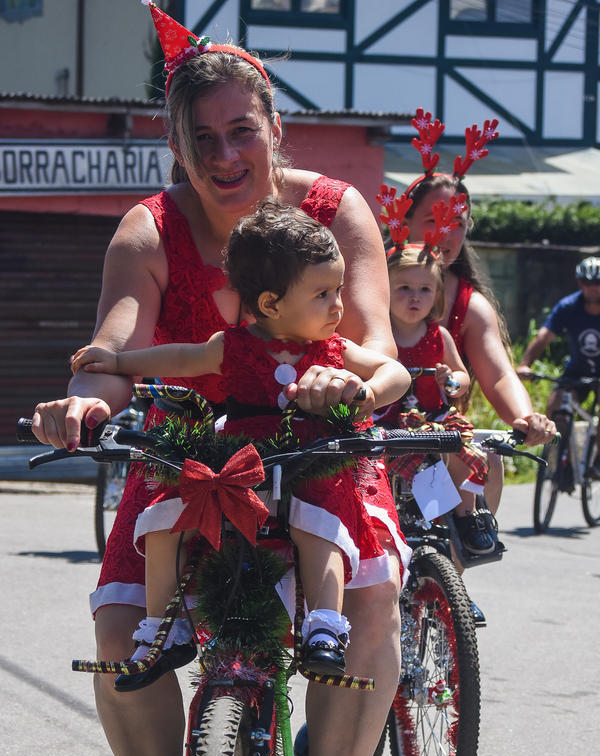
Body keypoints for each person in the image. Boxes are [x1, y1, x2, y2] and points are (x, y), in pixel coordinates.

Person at [31, 5, 406, 756]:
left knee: (373, 595)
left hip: (315, 450)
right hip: (189, 461)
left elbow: (378, 348)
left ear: (277, 127)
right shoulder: (148, 229)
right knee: (121, 627)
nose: (226, 155)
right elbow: (116, 351)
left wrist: (350, 387)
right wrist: (82, 404)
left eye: (243, 130)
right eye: (203, 139)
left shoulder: (333, 212)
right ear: (176, 147)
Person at [71, 199, 411, 686]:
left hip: (307, 461)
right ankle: (165, 630)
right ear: (271, 303)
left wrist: (370, 393)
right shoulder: (230, 346)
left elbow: (393, 371)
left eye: (338, 290)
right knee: (163, 518)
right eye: (323, 294)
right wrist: (115, 360)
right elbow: (179, 357)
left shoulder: (335, 350)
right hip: (239, 462)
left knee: (321, 524)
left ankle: (324, 629)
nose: (339, 305)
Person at [400, 111, 556, 520]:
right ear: (405, 220)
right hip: (373, 428)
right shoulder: (370, 281)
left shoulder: (471, 304)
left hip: (438, 433)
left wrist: (526, 417)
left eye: (458, 223)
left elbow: (500, 374)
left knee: (484, 466)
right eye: (434, 220)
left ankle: (453, 566)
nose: (446, 234)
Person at [376, 242, 493, 554]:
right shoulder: (378, 335)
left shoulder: (438, 336)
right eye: (403, 287)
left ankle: (467, 516)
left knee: (461, 445)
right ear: (383, 290)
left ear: (438, 295)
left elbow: (462, 375)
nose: (415, 296)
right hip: (386, 419)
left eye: (425, 289)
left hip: (432, 417)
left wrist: (451, 381)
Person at [517, 256, 600, 476]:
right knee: (555, 407)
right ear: (579, 283)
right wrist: (525, 364)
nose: (592, 289)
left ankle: (598, 460)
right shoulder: (568, 307)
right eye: (587, 283)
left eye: (597, 283)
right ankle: (566, 464)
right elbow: (544, 337)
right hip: (577, 370)